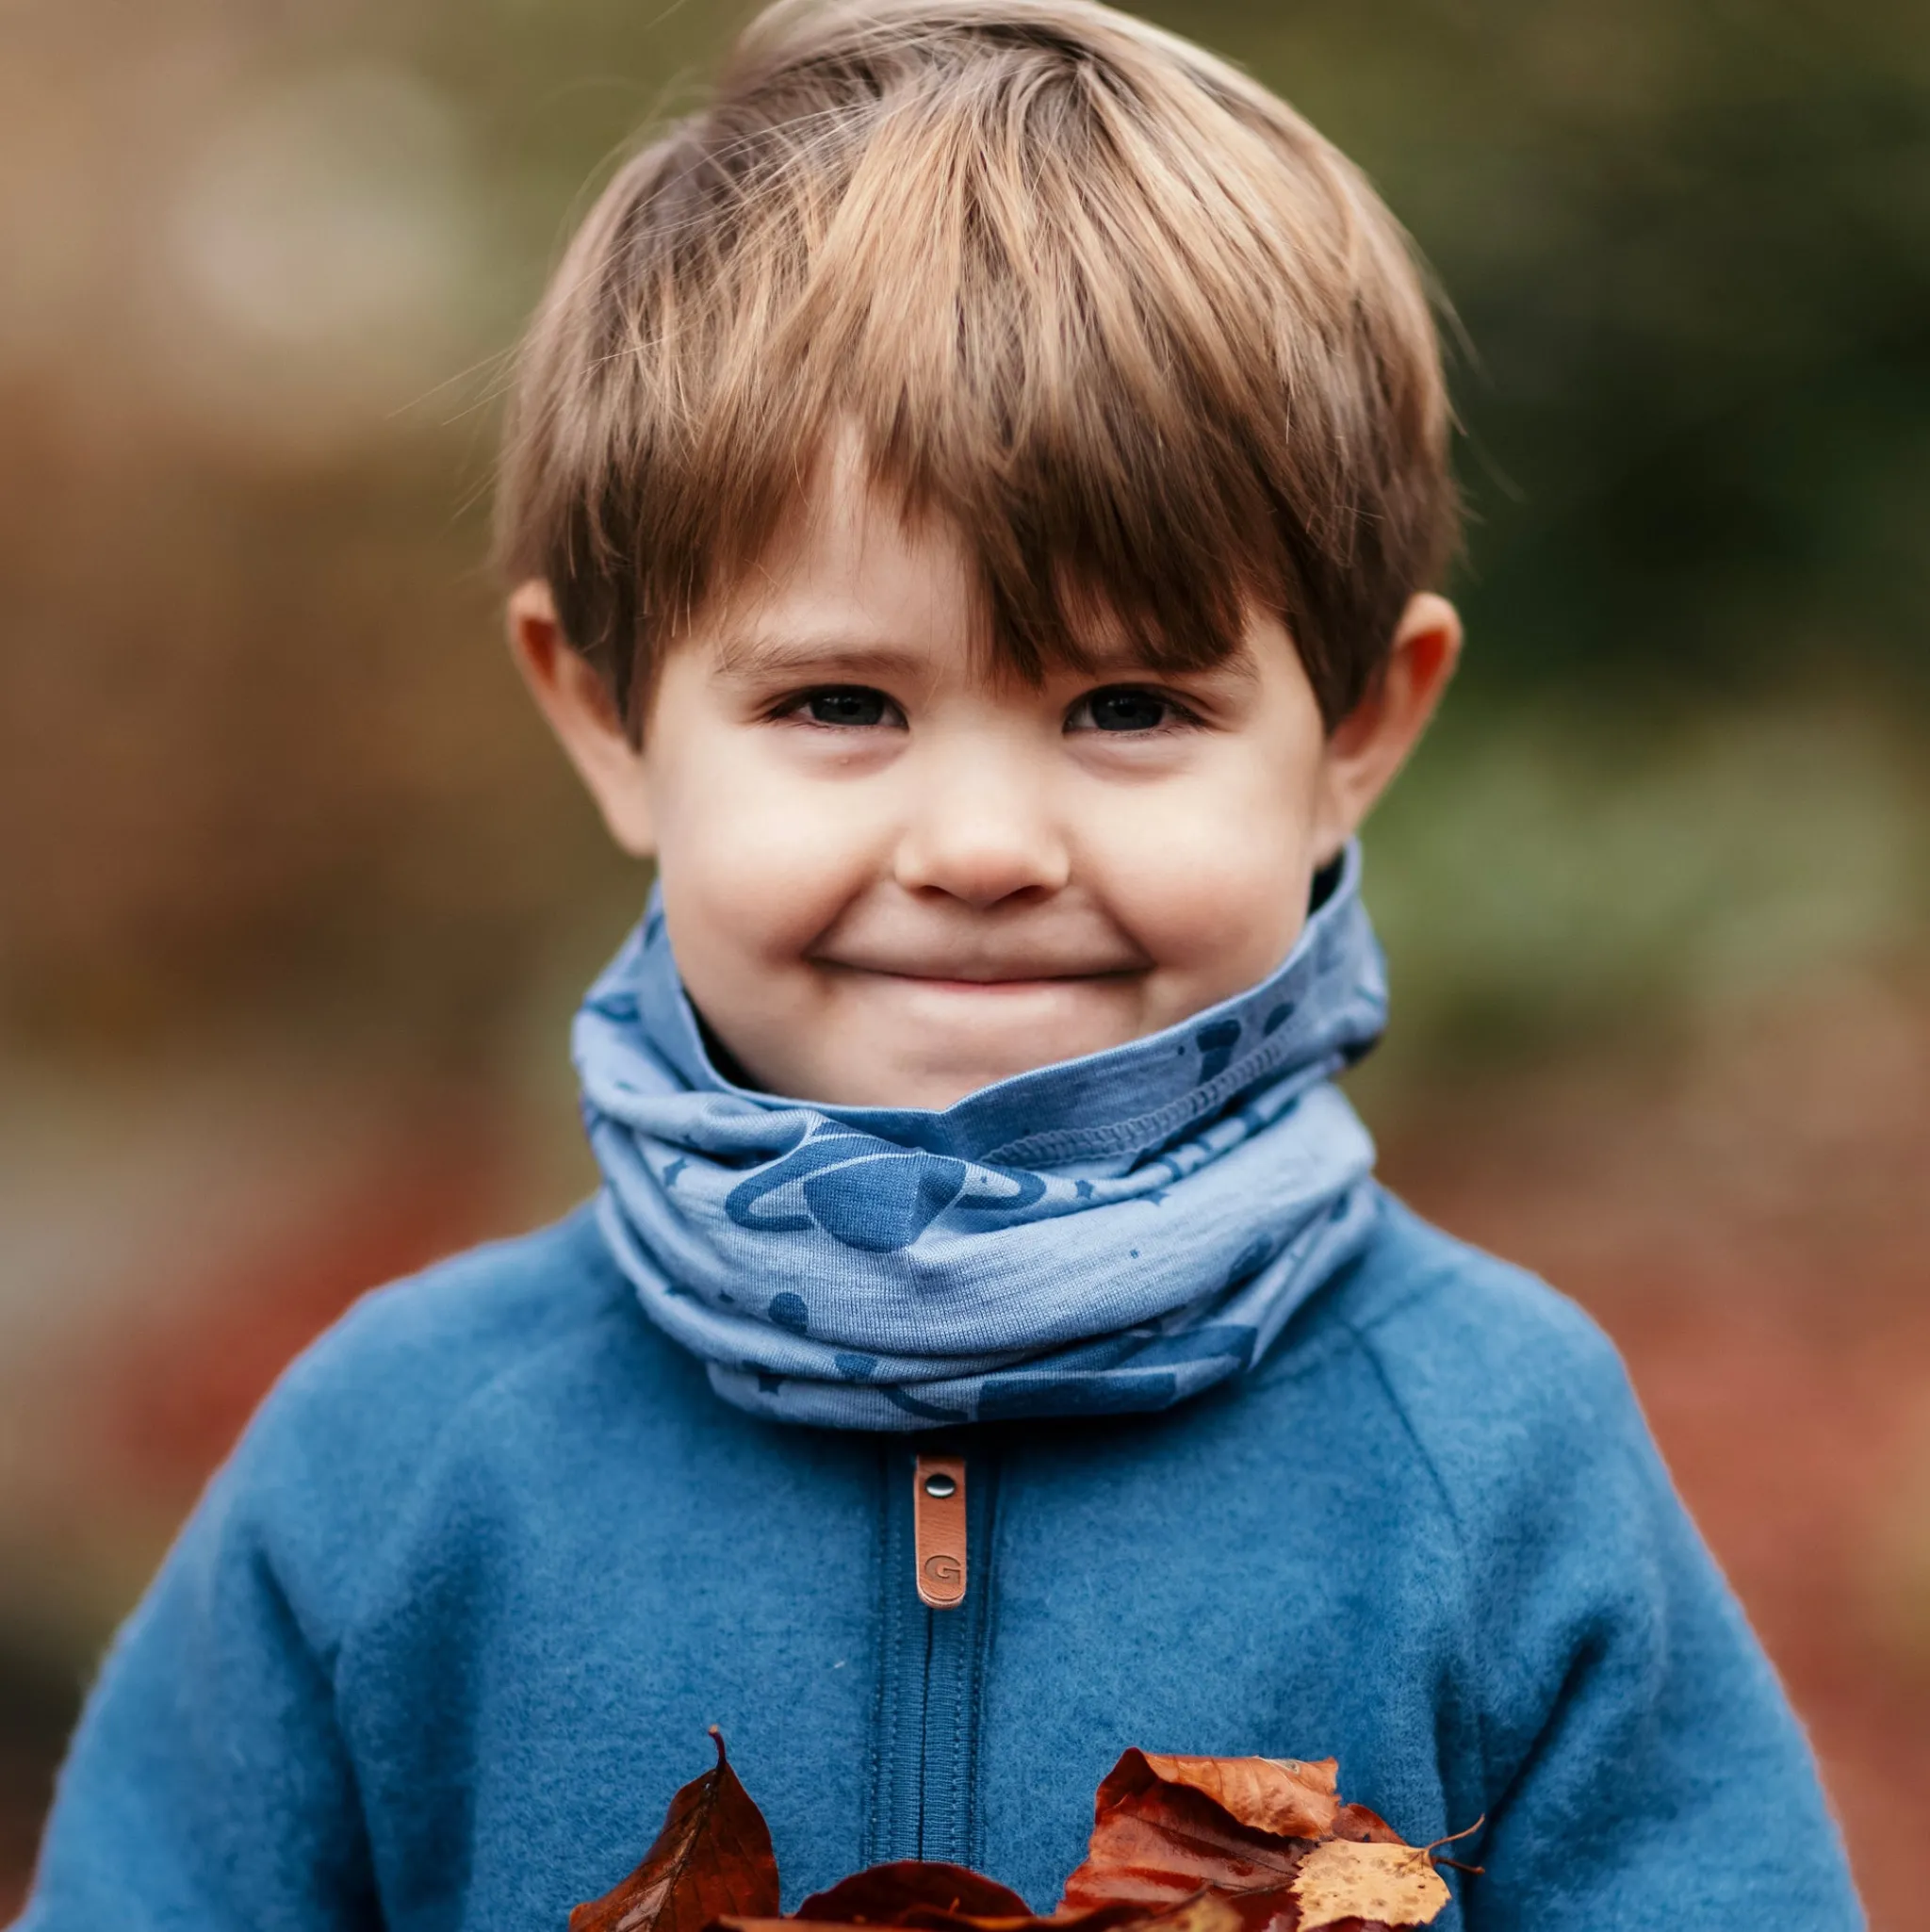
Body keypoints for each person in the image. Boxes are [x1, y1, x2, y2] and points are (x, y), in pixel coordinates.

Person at [15, 2, 1863, 1925]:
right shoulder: (398, 1462)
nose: (981, 848)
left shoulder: (1493, 1449)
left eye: (1129, 703)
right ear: (610, 719)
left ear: (1355, 732)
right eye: (839, 699)